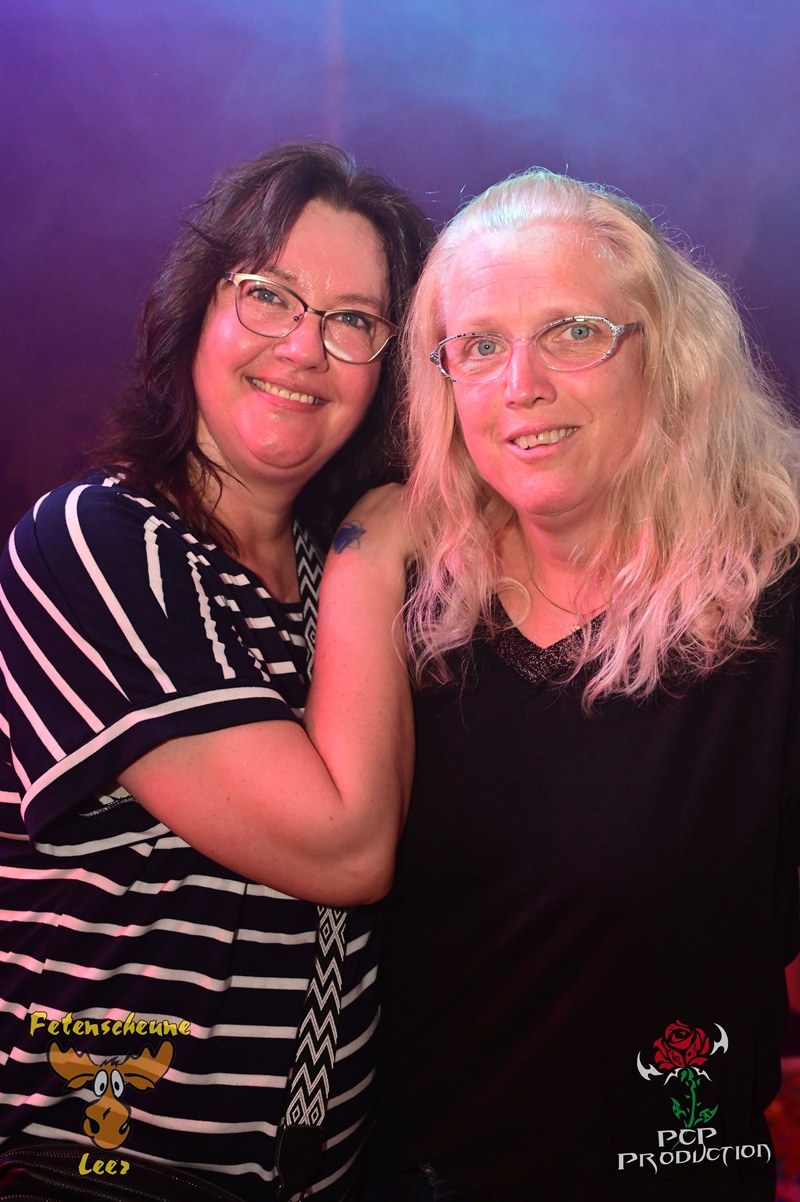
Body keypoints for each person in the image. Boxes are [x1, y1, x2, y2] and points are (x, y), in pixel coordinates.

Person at [0, 142, 431, 1201]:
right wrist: (377, 542)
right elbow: (344, 847)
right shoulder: (97, 541)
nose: (305, 347)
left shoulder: (333, 585)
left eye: (354, 320)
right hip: (100, 1171)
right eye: (268, 294)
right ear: (197, 309)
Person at [359, 169, 800, 1201]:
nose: (521, 383)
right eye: (478, 345)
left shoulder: (774, 611)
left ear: (667, 356)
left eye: (572, 332)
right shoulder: (403, 605)